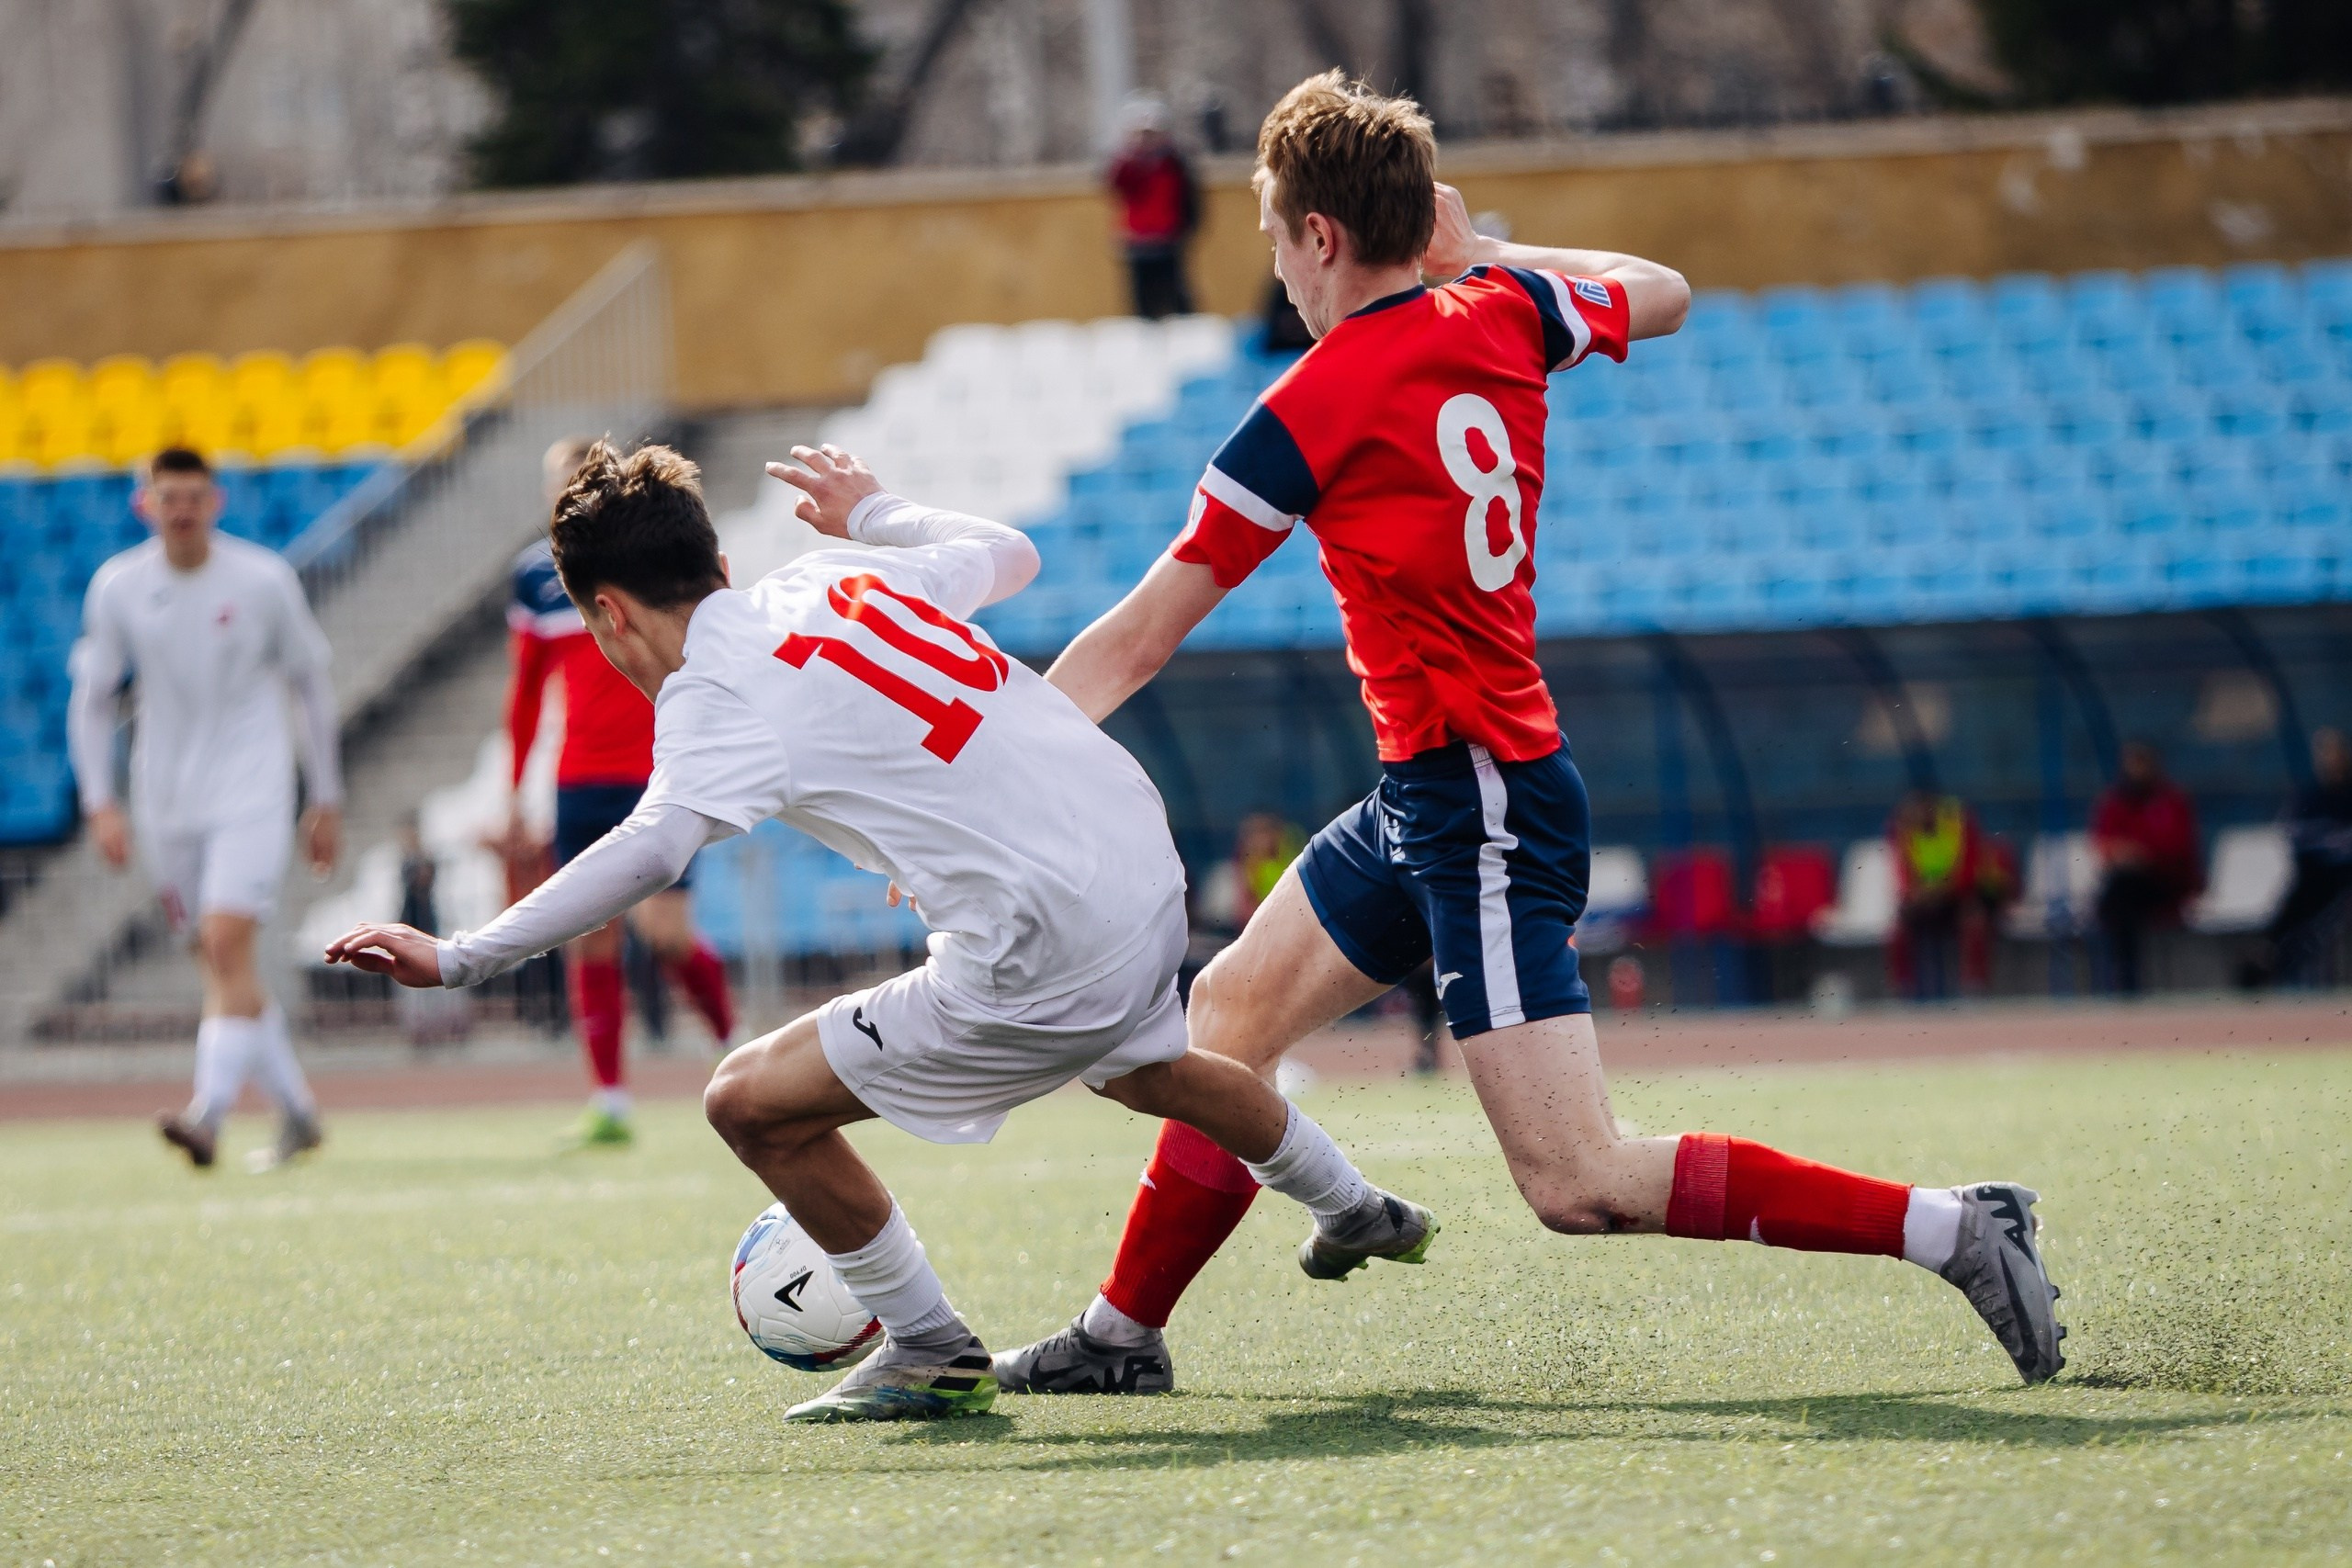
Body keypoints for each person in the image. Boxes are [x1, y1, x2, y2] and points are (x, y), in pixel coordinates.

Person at [990, 71, 2064, 1396]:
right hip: (1432, 788)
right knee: (1224, 1023)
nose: (1274, 264)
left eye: (1274, 235)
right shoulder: (1505, 308)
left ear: (1321, 235)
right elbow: (1661, 287)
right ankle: (1121, 1332)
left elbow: (1140, 637)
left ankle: (1957, 1225)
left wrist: (993, 769)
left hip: (1480, 799)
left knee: (1579, 1179)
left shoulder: (1313, 401)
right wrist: (1481, 250)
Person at [324, 441, 1435, 1424]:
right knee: (1149, 1068)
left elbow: (650, 851)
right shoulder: (830, 573)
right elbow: (1008, 554)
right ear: (715, 562)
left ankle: (927, 1348)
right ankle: (1356, 1207)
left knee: (748, 1104)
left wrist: (463, 954)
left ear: (608, 614)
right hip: (1137, 864)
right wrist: (872, 511)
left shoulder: (712, 696)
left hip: (1040, 940)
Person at [67, 446, 342, 1173]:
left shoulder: (262, 579)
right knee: (223, 968)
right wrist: (100, 800)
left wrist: (326, 795)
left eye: (195, 495)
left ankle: (207, 1115)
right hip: (166, 797)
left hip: (252, 788)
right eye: (169, 496)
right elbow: (93, 698)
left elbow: (311, 686)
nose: (182, 508)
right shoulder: (119, 587)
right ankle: (300, 1115)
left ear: (216, 501)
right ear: (145, 505)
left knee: (225, 947)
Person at [500, 437, 739, 1147]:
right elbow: (524, 692)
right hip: (579, 776)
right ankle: (610, 1099)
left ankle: (736, 1044)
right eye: (556, 483)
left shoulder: (652, 558)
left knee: (666, 935)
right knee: (590, 941)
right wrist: (515, 789)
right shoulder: (533, 580)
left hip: (656, 767)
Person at [2240, 727, 2352, 989]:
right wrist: (2329, 840)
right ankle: (2270, 953)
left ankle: (2277, 957)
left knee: (2323, 902)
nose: (2329, 758)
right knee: (2302, 894)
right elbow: (2294, 832)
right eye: (2323, 753)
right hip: (2316, 874)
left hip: (2344, 874)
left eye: (2334, 752)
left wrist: (2331, 840)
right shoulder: (2310, 794)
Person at [2090, 740, 2203, 996]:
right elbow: (2104, 844)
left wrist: (2142, 853)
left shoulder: (2172, 800)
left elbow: (2178, 846)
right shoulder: (2115, 800)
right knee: (2120, 895)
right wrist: (2123, 853)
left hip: (2167, 881)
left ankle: (2127, 975)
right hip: (2129, 885)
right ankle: (2125, 974)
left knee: (2119, 896)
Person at [1887, 789, 1992, 1001]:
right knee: (1897, 927)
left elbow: (1969, 867)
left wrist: (1944, 889)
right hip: (1923, 899)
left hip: (1955, 897)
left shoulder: (1956, 827)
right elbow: (1902, 870)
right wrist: (1917, 891)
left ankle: (1973, 986)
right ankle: (1904, 988)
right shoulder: (1906, 831)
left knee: (1974, 922)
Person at [1106, 94, 1200, 320]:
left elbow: (1189, 198)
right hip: (1138, 239)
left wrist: (1188, 227)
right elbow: (1115, 184)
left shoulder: (1175, 163)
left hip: (1168, 238)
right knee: (1141, 301)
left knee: (1176, 295)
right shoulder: (1129, 165)